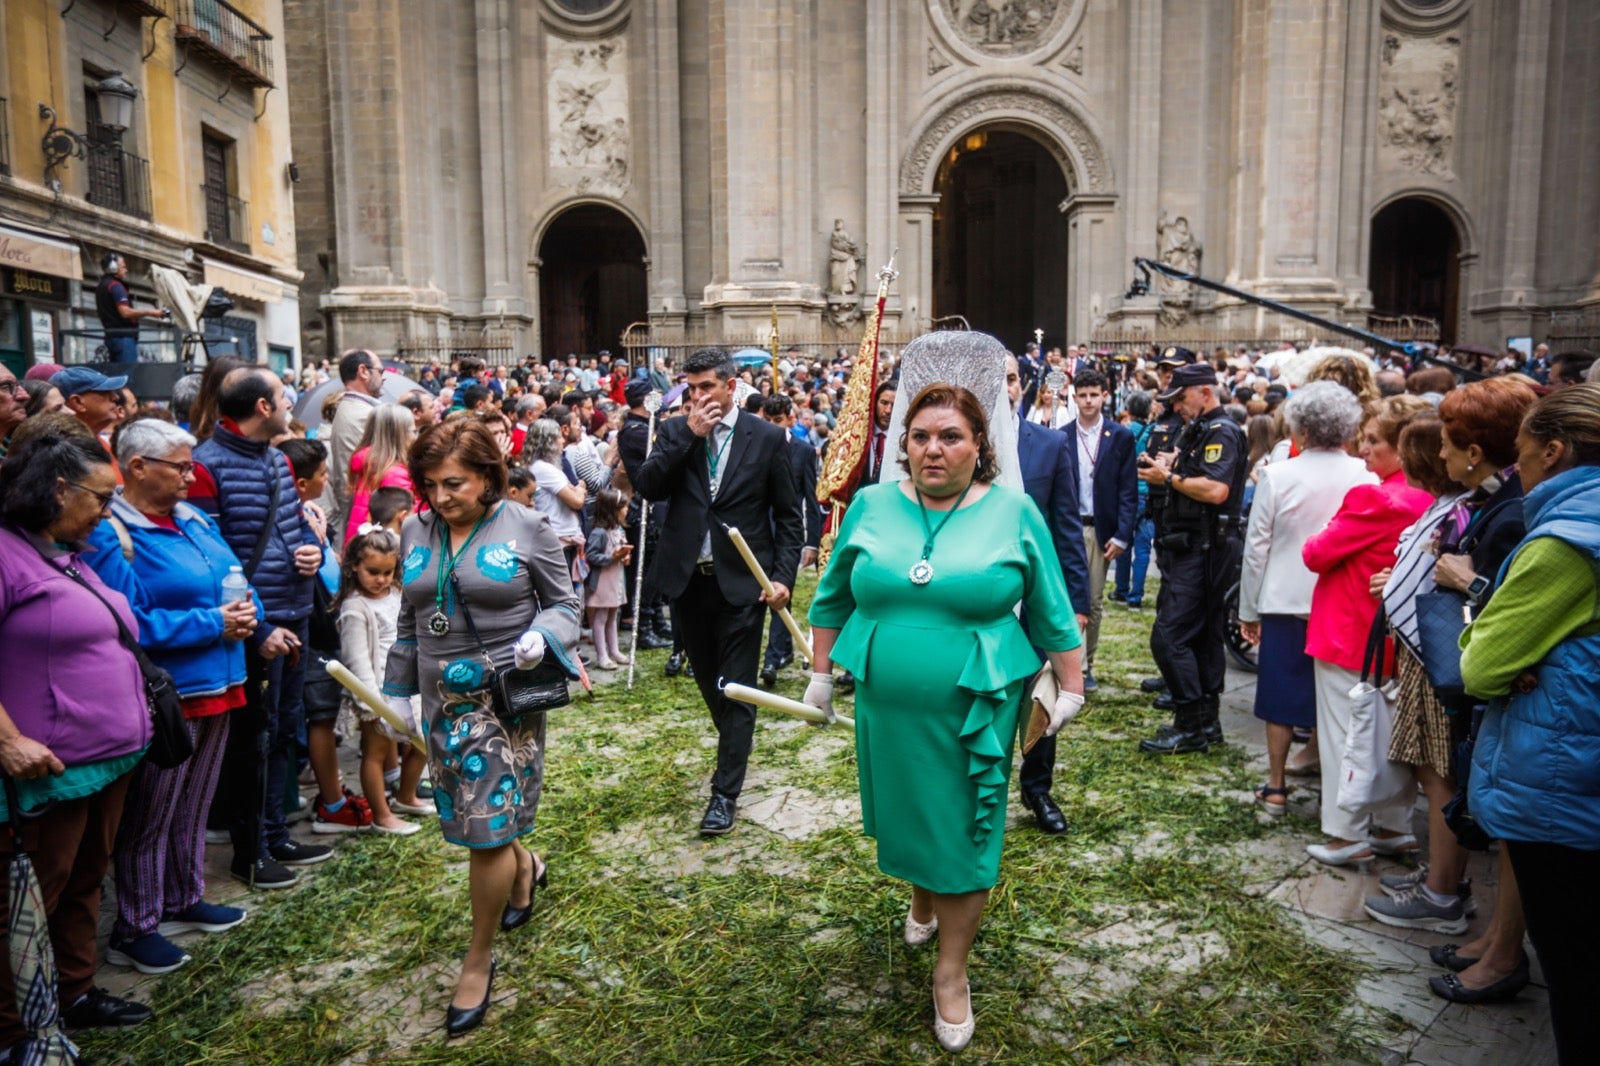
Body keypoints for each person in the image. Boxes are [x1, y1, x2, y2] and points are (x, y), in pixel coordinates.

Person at [806, 380, 1084, 1052]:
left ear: (979, 445)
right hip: (888, 708)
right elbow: (832, 596)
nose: (934, 449)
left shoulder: (1014, 511)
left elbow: (1050, 603)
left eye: (950, 436)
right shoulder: (871, 504)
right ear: (904, 443)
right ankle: (922, 897)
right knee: (911, 815)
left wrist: (1070, 684)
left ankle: (951, 973)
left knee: (967, 833)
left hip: (977, 705)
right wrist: (818, 675)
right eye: (921, 435)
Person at [381, 419, 580, 1036]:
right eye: (431, 484)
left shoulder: (527, 526)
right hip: (443, 701)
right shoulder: (414, 528)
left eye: (455, 483)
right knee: (482, 813)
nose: (442, 497)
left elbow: (565, 603)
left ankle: (478, 957)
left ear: (489, 477)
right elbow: (412, 619)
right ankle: (524, 870)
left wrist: (540, 637)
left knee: (485, 828)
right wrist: (395, 695)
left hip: (504, 697)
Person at [82, 418, 255, 976]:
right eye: (179, 467)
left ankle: (184, 897)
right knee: (152, 811)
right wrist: (213, 622)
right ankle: (135, 926)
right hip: (171, 692)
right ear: (137, 467)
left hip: (220, 679)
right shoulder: (114, 533)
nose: (190, 475)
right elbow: (125, 620)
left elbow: (233, 574)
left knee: (194, 804)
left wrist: (251, 612)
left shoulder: (193, 518)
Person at [1458, 384, 1600, 1061]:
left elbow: (1481, 667)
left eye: (1522, 453)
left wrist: (1482, 640)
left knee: (1575, 967)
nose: (1517, 470)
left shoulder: (1565, 541)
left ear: (1553, 449)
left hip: (1563, 771)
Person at [0, 432, 154, 1041]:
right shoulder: (6, 554)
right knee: (29, 899)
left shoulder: (62, 549)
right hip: (44, 771)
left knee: (83, 884)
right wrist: (7, 739)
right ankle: (16, 1033)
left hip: (103, 762)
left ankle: (74, 994)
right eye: (103, 496)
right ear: (59, 488)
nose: (109, 509)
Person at [633, 348, 804, 836]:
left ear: (732, 387)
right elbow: (648, 486)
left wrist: (783, 578)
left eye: (707, 387)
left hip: (743, 584)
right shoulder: (674, 431)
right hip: (688, 581)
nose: (698, 396)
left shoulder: (767, 438)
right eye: (691, 388)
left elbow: (789, 518)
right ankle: (736, 742)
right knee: (713, 686)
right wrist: (691, 433)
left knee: (739, 687)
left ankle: (723, 794)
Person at [190, 367, 330, 888]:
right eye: (283, 396)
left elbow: (289, 527)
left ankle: (276, 834)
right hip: (256, 624)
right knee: (254, 738)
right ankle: (250, 853)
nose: (292, 402)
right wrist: (260, 625)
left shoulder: (275, 457)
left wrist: (310, 552)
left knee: (283, 729)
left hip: (292, 612)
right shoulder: (206, 466)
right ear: (264, 408)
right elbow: (210, 560)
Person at [1299, 395, 1434, 865]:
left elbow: (1316, 553)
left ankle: (1346, 833)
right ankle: (1395, 828)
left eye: (1375, 441)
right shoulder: (1432, 499)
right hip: (1401, 638)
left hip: (1350, 632)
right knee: (1392, 734)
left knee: (1345, 736)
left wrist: (1330, 526)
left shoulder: (1375, 497)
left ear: (1404, 449)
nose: (1363, 451)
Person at [1236, 382, 1373, 815]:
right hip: (1343, 603)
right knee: (1337, 699)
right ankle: (1333, 781)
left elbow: (1256, 546)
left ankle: (1276, 785)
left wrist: (1248, 608)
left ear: (1300, 428)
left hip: (1284, 599)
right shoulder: (1364, 474)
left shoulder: (1278, 475)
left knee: (1279, 696)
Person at [1359, 418, 1475, 928]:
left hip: (1436, 657)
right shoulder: (1443, 504)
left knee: (1439, 774)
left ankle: (1441, 894)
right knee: (1432, 771)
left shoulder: (1464, 509)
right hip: (1422, 652)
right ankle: (1441, 874)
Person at [1136, 361, 1250, 753]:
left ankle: (1189, 722)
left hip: (1206, 548)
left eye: (1181, 398)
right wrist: (1170, 465)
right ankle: (1205, 721)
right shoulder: (1201, 428)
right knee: (1201, 636)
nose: (1178, 407)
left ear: (1204, 392)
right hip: (1192, 545)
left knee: (1170, 636)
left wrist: (1167, 478)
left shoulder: (1222, 430)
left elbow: (1216, 490)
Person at [1007, 355, 1091, 836]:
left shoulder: (1050, 444)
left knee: (1043, 697)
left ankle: (1037, 789)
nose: (1005, 387)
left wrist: (1076, 604)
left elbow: (1065, 529)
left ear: (1025, 385)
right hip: (982, 602)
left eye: (1012, 378)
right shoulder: (959, 444)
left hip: (1037, 600)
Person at [336, 527, 429, 835]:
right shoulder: (354, 607)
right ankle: (382, 815)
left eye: (388, 572)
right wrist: (369, 701)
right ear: (354, 567)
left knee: (422, 743)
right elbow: (356, 659)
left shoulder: (397, 594)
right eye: (373, 572)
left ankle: (406, 795)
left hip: (408, 687)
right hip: (377, 694)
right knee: (376, 753)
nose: (381, 579)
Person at [1063, 369, 1137, 692]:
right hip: (1068, 525)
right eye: (1083, 395)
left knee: (1091, 600)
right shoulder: (1063, 435)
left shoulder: (1119, 436)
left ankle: (1086, 663)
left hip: (1097, 527)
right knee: (1065, 598)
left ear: (1104, 396)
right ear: (1075, 397)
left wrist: (1122, 533)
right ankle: (1066, 662)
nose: (1089, 401)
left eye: (1094, 394)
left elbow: (1128, 488)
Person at [759, 393, 822, 687]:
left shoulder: (803, 451)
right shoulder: (754, 446)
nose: (772, 426)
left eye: (778, 421)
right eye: (767, 420)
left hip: (789, 533)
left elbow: (811, 497)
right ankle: (776, 652)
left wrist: (812, 542)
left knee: (782, 592)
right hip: (758, 531)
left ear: (790, 420)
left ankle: (773, 657)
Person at [322, 349, 387, 540]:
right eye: (381, 372)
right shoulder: (363, 414)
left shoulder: (358, 409)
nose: (384, 378)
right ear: (363, 371)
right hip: (368, 517)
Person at [345, 403, 418, 547]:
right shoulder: (395, 475)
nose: (416, 437)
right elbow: (406, 519)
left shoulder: (371, 464)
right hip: (385, 549)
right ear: (399, 435)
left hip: (364, 546)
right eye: (413, 431)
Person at [1113, 390, 1156, 608]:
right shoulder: (1153, 434)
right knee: (1143, 547)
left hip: (1127, 494)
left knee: (1123, 542)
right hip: (1147, 492)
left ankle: (1120, 589)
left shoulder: (1124, 432)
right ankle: (1135, 596)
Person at [584, 488, 633, 670]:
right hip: (603, 581)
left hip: (616, 579)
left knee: (614, 616)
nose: (626, 510)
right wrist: (611, 558)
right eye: (624, 507)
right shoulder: (599, 533)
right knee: (601, 617)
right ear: (613, 509)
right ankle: (602, 655)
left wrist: (625, 557)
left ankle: (614, 651)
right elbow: (591, 555)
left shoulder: (618, 530)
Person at [94, 253, 168, 363]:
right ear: (113, 268)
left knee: (117, 376)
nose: (126, 270)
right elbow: (125, 312)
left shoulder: (101, 286)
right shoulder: (116, 286)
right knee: (128, 375)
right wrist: (151, 312)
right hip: (124, 339)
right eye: (123, 267)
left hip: (110, 337)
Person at [861, 381, 897, 486]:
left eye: (894, 405)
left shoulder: (902, 441)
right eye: (884, 403)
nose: (888, 410)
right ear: (875, 403)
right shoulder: (861, 433)